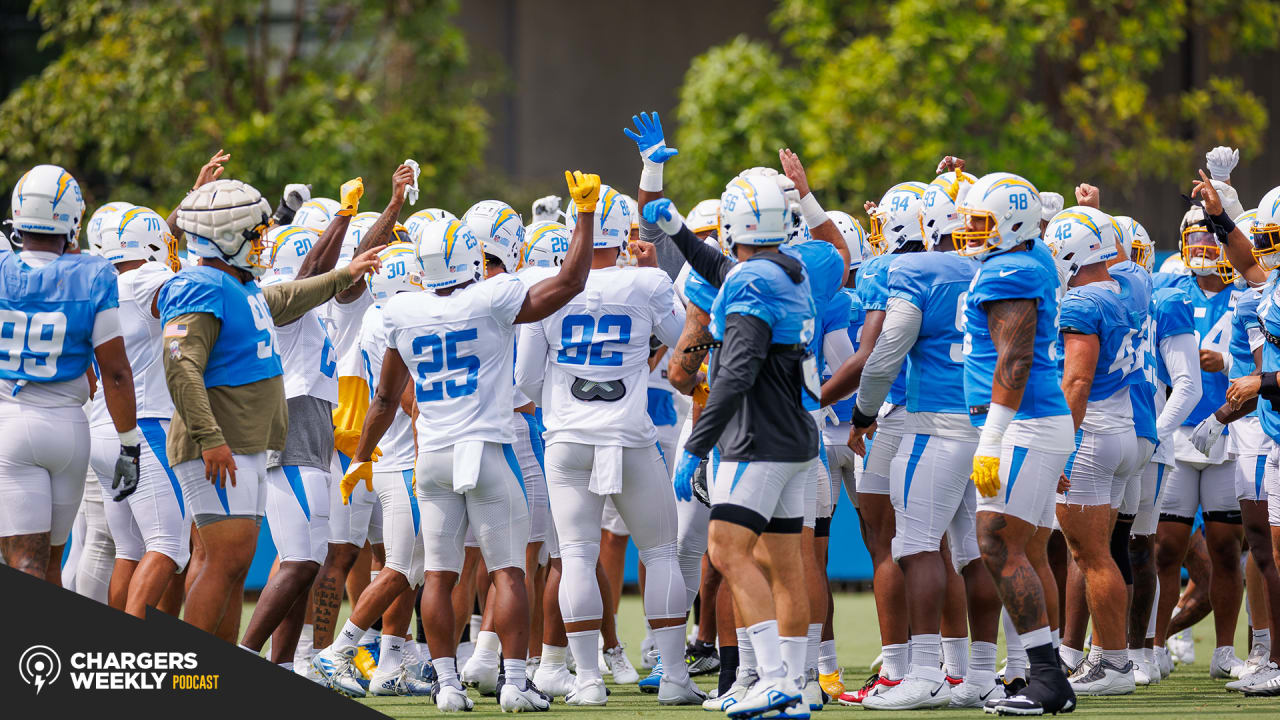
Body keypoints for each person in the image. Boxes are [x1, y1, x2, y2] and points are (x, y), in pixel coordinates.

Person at [344, 170, 597, 712]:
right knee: (507, 571)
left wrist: (362, 457)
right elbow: (571, 282)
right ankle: (512, 682)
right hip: (486, 451)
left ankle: (448, 686)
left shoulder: (402, 311)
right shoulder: (491, 297)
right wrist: (585, 215)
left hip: (430, 457)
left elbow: (385, 401)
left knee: (438, 572)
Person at [159, 177, 382, 637]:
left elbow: (286, 298)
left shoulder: (237, 286)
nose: (263, 242)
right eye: (255, 234)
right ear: (224, 237)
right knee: (222, 563)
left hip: (245, 443)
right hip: (221, 444)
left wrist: (346, 273)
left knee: (234, 568)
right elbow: (181, 368)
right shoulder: (201, 285)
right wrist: (212, 439)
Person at [517, 179, 697, 707]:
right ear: (622, 236)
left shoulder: (546, 284)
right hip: (631, 434)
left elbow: (526, 380)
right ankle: (674, 680)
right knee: (661, 552)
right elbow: (681, 339)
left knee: (574, 555)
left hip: (568, 438)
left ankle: (590, 681)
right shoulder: (648, 283)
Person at [645, 174, 816, 719]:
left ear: (736, 224)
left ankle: (769, 677)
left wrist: (697, 445)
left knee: (725, 550)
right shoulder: (789, 271)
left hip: (756, 439)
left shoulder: (750, 284)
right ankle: (790, 684)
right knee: (785, 567)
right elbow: (724, 269)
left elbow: (735, 376)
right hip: (796, 439)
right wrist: (675, 228)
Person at [956, 172, 1076, 715]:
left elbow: (1016, 360)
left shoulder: (1011, 270)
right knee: (1018, 548)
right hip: (1028, 420)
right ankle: (1044, 675)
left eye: (983, 222)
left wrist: (993, 438)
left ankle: (1046, 677)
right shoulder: (1026, 259)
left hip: (1022, 421)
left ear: (1015, 225)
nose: (971, 232)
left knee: (997, 542)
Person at [0, 164, 140, 586]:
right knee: (50, 567)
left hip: (11, 420)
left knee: (25, 564)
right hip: (69, 428)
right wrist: (129, 445)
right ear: (72, 219)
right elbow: (115, 372)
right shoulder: (94, 273)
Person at [312, 243, 433, 697]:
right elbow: (405, 398)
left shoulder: (376, 317)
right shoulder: (394, 321)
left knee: (411, 567)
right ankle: (337, 651)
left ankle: (390, 665)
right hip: (404, 461)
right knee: (401, 569)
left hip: (388, 457)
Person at [1046, 206, 1148, 695]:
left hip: (1092, 437)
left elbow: (1078, 380)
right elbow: (1122, 258)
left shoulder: (1081, 303)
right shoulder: (1132, 285)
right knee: (1101, 552)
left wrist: (1060, 451)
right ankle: (1109, 657)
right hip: (1125, 429)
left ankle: (1114, 664)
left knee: (1092, 557)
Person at [1152, 201, 1247, 680]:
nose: (1205, 244)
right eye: (1197, 236)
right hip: (1177, 432)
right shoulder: (1167, 288)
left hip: (1228, 431)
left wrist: (1227, 364)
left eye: (1213, 235)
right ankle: (1152, 644)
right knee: (1164, 547)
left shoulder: (1247, 292)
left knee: (1227, 549)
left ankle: (1225, 650)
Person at [86, 205, 188, 618]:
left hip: (102, 429)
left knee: (129, 549)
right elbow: (191, 293)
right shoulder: (146, 276)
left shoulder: (102, 284)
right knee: (167, 544)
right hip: (142, 426)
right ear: (149, 248)